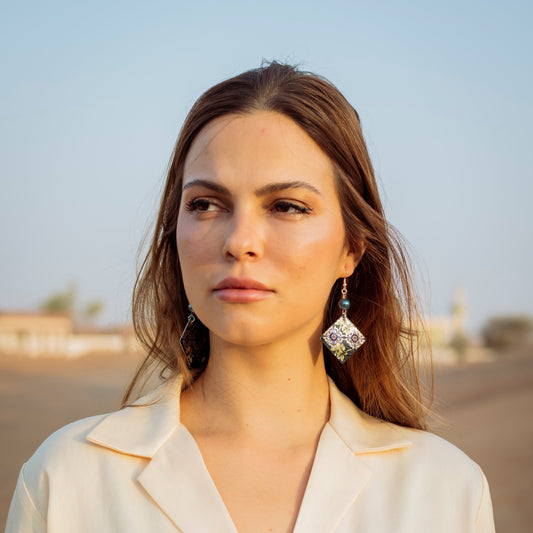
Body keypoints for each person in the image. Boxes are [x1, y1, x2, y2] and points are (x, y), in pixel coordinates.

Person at [6, 62, 495, 532]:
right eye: (205, 204)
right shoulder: (67, 478)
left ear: (351, 249)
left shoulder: (445, 490)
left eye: (286, 206)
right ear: (174, 232)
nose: (240, 240)